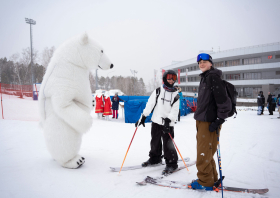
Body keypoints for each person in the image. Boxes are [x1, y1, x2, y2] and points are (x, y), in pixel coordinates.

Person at [190, 53, 232, 191]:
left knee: (203, 153)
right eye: (200, 62)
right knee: (207, 151)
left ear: (211, 63)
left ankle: (205, 181)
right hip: (203, 120)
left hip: (208, 122)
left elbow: (223, 101)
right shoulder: (206, 78)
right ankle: (212, 178)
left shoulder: (212, 78)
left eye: (204, 62)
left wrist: (219, 119)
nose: (201, 64)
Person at [135, 70, 180, 175]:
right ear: (165, 78)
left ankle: (171, 164)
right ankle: (155, 158)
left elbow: (175, 110)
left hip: (168, 123)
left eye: (173, 77)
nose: (171, 80)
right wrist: (143, 116)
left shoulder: (176, 95)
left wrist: (169, 120)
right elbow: (150, 104)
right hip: (156, 121)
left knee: (168, 144)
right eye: (169, 77)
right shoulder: (158, 91)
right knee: (155, 141)